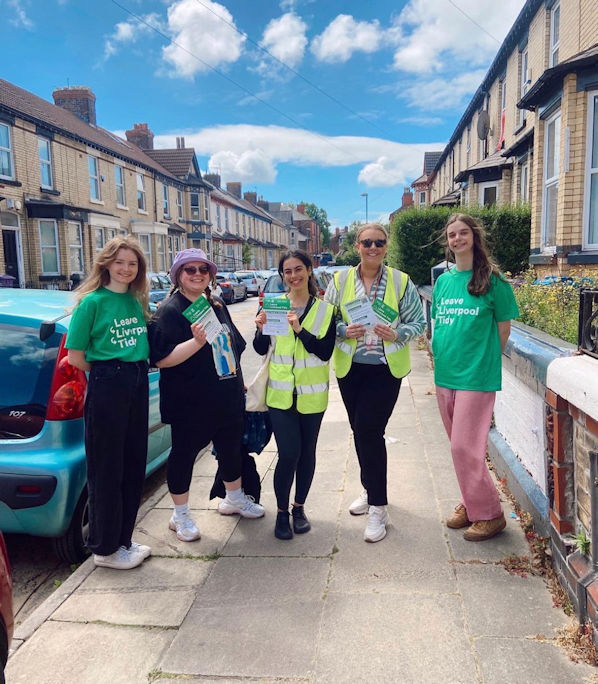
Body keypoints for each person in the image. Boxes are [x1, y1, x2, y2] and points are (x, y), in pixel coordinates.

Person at [148, 248, 264, 543]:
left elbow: (231, 343)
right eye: (190, 270)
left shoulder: (215, 304)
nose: (198, 274)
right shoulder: (169, 311)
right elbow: (161, 359)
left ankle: (234, 498)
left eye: (203, 269)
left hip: (225, 393)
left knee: (229, 447)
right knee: (184, 455)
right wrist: (197, 342)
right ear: (178, 276)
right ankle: (180, 514)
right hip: (190, 400)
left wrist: (239, 382)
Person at [324, 223, 425, 543]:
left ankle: (378, 509)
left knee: (369, 431)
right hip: (350, 368)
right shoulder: (339, 281)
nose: (373, 247)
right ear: (357, 246)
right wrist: (342, 331)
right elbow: (326, 321)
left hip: (384, 369)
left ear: (386, 246)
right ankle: (370, 489)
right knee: (361, 432)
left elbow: (418, 322)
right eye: (367, 242)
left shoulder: (400, 281)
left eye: (379, 242)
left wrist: (398, 333)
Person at [66, 236, 152, 570]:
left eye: (132, 264)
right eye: (120, 262)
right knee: (106, 468)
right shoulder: (92, 303)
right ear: (106, 264)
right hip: (108, 382)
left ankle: (123, 541)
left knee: (133, 464)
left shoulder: (135, 301)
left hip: (137, 378)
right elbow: (76, 357)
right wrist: (108, 372)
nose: (126, 269)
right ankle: (104, 549)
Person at [432, 213, 519, 541]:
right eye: (452, 235)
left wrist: (483, 363)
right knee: (459, 447)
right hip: (445, 374)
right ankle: (471, 502)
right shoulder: (443, 281)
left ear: (474, 237)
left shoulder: (494, 281)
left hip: (476, 376)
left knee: (464, 448)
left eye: (463, 233)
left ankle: (490, 515)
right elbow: (439, 323)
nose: (457, 239)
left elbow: (503, 329)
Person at [254, 250, 335, 540]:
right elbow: (261, 349)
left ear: (310, 270)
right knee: (288, 454)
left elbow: (325, 352)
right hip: (281, 396)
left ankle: (299, 508)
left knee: (307, 454)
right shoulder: (275, 306)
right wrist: (261, 328)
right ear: (282, 276)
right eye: (287, 272)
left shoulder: (326, 310)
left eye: (298, 269)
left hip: (312, 397)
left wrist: (299, 330)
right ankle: (281, 513)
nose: (293, 276)